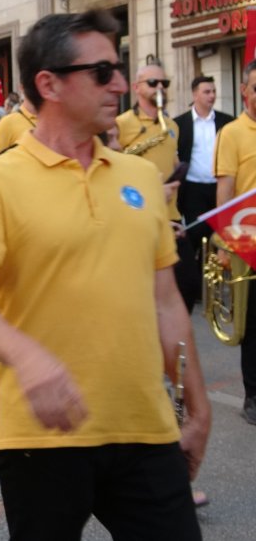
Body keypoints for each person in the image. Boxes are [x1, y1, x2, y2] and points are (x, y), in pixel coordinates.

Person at [0, 9, 210, 540]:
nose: (120, 83)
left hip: (146, 430)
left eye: (121, 68)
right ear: (50, 83)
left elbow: (166, 304)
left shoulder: (138, 176)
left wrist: (198, 410)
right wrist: (27, 357)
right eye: (102, 71)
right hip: (42, 438)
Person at [117, 65, 199, 310]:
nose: (160, 87)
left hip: (170, 218)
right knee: (146, 297)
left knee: (187, 286)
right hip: (138, 217)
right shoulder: (121, 124)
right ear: (136, 87)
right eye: (153, 82)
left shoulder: (171, 126)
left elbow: (171, 159)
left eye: (165, 83)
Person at [214, 59, 256, 426]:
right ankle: (253, 395)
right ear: (245, 91)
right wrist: (224, 245)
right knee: (252, 324)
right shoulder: (232, 133)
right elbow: (225, 191)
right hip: (247, 237)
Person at [176, 75, 233, 262]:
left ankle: (217, 280)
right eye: (207, 92)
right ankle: (199, 284)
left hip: (219, 188)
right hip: (194, 190)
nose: (212, 96)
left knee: (220, 237)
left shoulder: (227, 122)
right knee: (196, 237)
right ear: (195, 95)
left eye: (214, 91)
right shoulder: (180, 124)